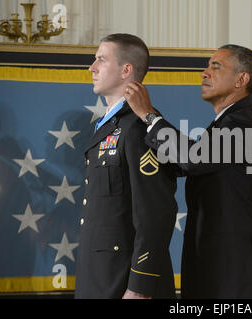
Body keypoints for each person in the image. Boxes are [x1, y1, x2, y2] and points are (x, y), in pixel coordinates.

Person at [124, 44, 252, 298]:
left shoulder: (245, 123)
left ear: (241, 79)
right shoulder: (225, 124)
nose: (204, 73)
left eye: (216, 66)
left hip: (233, 271)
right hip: (212, 262)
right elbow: (184, 163)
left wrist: (148, 115)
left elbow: (192, 159)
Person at [75, 33, 178, 299]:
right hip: (99, 275)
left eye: (101, 60)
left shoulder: (138, 126)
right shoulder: (109, 126)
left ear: (126, 70)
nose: (92, 68)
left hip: (124, 282)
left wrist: (140, 286)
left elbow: (155, 211)